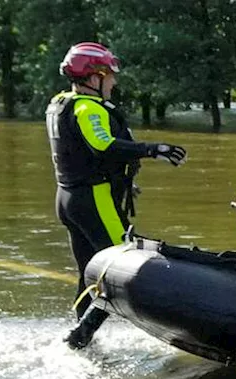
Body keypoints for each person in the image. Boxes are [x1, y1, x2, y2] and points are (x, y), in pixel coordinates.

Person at [47, 42, 187, 349]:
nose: (114, 81)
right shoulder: (87, 108)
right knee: (119, 268)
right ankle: (81, 334)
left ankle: (81, 341)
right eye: (109, 75)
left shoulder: (60, 103)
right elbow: (103, 145)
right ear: (93, 78)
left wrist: (123, 182)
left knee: (87, 270)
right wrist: (154, 149)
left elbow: (79, 154)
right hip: (92, 200)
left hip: (69, 198)